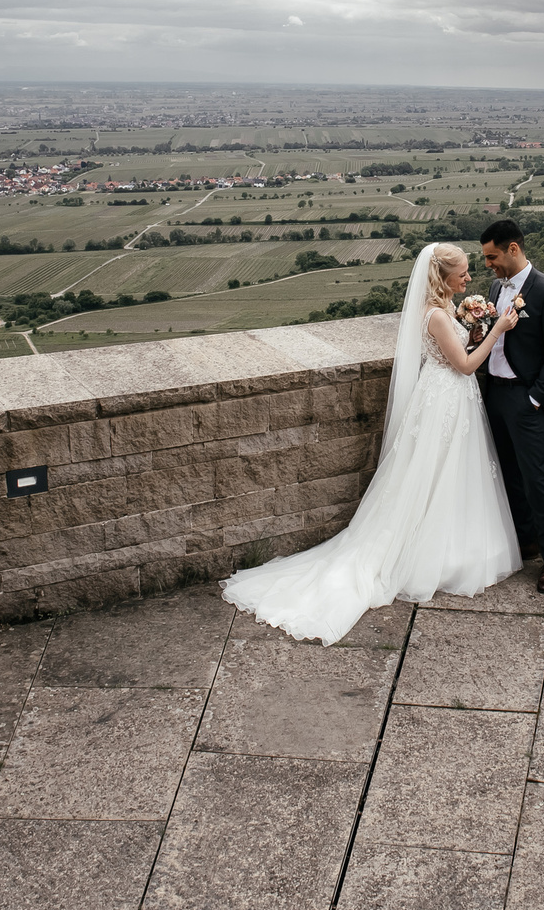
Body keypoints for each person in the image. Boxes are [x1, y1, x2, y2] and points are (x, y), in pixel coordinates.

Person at [223, 241, 525, 642]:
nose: (469, 279)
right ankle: (433, 555)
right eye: (463, 273)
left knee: (446, 474)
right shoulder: (435, 315)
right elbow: (467, 365)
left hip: (447, 396)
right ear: (442, 276)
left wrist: (472, 327)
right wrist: (498, 329)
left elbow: (457, 354)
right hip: (446, 399)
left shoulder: (442, 309)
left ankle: (452, 544)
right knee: (436, 472)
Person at [477, 218, 544, 591]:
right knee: (508, 474)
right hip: (495, 394)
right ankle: (525, 540)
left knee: (536, 478)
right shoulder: (493, 288)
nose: (488, 265)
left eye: (492, 256)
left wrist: (534, 399)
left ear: (513, 249)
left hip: (525, 398)